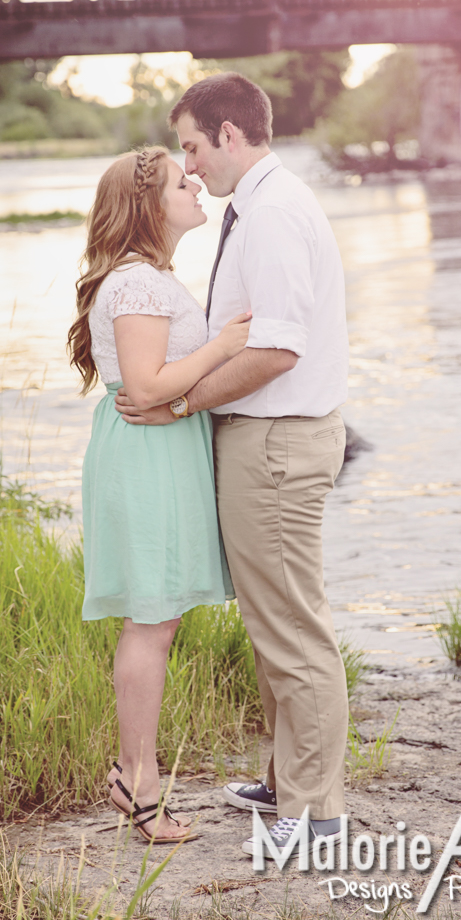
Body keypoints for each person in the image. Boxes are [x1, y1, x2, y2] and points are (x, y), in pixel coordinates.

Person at [114, 73, 350, 856]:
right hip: (262, 439)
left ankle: (313, 815)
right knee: (271, 621)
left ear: (228, 134)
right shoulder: (258, 207)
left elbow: (279, 349)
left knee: (293, 628)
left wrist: (180, 405)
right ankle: (287, 782)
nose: (190, 164)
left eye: (191, 146)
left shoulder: (275, 213)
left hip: (278, 441)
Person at [67, 145, 251, 844]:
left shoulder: (149, 279)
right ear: (150, 205)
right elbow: (144, 388)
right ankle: (137, 784)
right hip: (145, 456)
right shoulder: (137, 284)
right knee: (151, 618)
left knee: (160, 618)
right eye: (182, 181)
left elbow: (152, 388)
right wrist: (226, 345)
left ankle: (135, 773)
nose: (195, 182)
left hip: (159, 449)